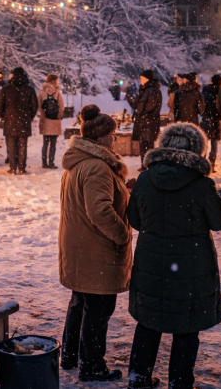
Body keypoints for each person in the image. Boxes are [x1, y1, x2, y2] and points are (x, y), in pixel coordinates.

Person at [126, 122, 221, 389]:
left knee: (149, 322)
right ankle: (180, 382)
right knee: (186, 327)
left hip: (150, 263)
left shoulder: (145, 179)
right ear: (198, 151)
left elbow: (135, 220)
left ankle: (138, 377)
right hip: (190, 267)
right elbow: (219, 222)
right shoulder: (201, 184)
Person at [59, 104, 132, 383]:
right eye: (112, 135)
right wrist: (123, 235)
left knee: (80, 302)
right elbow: (100, 211)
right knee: (98, 310)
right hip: (96, 251)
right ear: (101, 138)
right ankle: (92, 365)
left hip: (78, 247)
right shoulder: (98, 167)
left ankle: (70, 355)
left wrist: (124, 190)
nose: (115, 139)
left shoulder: (78, 162)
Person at [0, 67, 38, 175]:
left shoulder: (6, 88)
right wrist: (30, 116)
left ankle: (12, 167)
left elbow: (0, 104)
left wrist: (3, 116)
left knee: (11, 145)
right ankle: (21, 167)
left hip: (10, 120)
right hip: (24, 121)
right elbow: (34, 106)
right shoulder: (29, 89)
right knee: (22, 145)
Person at [126, 70, 162, 169]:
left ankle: (149, 166)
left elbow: (149, 106)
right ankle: (144, 165)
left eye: (142, 78)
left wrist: (138, 109)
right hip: (143, 122)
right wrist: (129, 99)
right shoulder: (143, 90)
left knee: (149, 145)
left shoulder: (153, 91)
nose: (140, 80)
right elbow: (136, 105)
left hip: (150, 122)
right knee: (143, 145)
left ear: (147, 79)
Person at [38, 74, 65, 169]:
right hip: (55, 121)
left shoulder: (42, 93)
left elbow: (39, 106)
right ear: (55, 81)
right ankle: (51, 162)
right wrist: (59, 115)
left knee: (45, 143)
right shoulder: (57, 93)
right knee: (53, 143)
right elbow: (61, 107)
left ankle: (44, 162)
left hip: (45, 120)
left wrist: (43, 114)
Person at [201, 74, 221, 170]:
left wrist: (204, 114)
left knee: (205, 143)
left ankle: (202, 163)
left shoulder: (205, 91)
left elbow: (202, 105)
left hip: (206, 119)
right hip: (216, 120)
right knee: (214, 145)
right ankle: (212, 164)